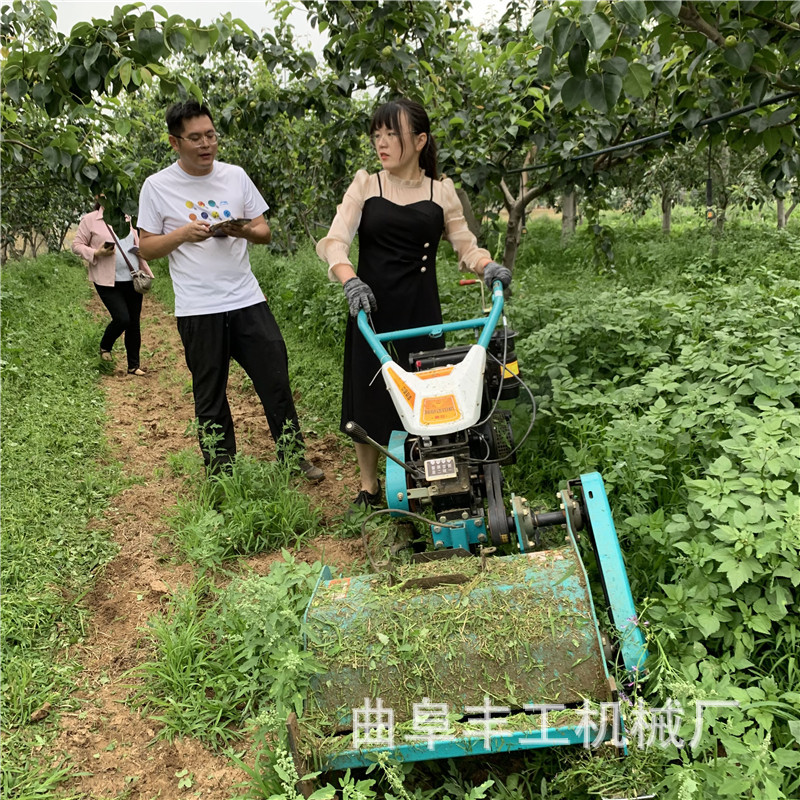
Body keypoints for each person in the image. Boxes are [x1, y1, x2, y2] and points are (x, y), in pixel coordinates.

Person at [317, 97, 512, 509]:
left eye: (393, 134)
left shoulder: (440, 191)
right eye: (377, 135)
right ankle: (370, 488)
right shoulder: (367, 185)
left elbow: (465, 244)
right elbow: (334, 241)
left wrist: (488, 266)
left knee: (427, 393)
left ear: (420, 140)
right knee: (371, 396)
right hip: (371, 309)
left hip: (421, 311)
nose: (382, 143)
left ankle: (428, 474)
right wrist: (350, 281)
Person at [136, 100, 324, 480]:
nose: (206, 144)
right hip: (198, 308)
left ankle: (293, 457)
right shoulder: (157, 186)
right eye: (195, 138)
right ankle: (222, 472)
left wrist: (244, 231)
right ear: (175, 143)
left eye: (210, 135)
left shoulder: (235, 176)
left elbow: (264, 232)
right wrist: (182, 235)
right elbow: (146, 247)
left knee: (275, 380)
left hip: (247, 300)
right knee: (210, 395)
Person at [72, 203, 154, 376]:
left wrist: (140, 251)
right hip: (106, 280)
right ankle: (105, 345)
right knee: (122, 318)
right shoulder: (90, 220)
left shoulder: (126, 217)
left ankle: (133, 366)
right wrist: (96, 253)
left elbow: (133, 242)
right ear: (98, 196)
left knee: (134, 322)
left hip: (131, 278)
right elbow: (77, 245)